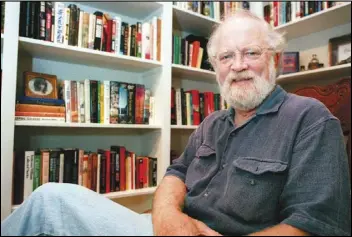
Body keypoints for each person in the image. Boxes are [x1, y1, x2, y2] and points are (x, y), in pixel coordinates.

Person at [1, 10, 351, 236]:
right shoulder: (211, 123)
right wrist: (167, 215)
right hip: (162, 228)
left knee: (50, 204)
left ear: (273, 61)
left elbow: (314, 225)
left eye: (251, 53)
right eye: (226, 57)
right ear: (215, 68)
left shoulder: (310, 118)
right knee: (51, 200)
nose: (238, 65)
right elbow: (177, 172)